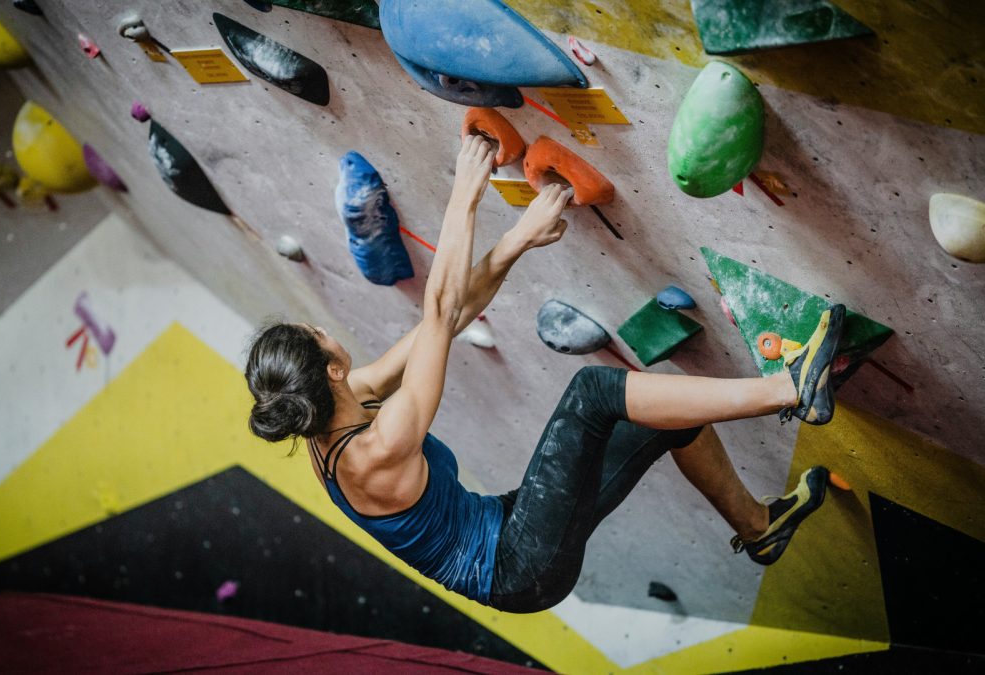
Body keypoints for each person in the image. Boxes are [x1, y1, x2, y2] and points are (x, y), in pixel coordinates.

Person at [244, 135, 844, 613]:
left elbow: (446, 323)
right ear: (330, 367)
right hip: (519, 568)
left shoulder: (349, 400)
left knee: (665, 419)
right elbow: (440, 309)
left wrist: (517, 242)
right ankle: (791, 389)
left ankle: (760, 527)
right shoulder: (375, 450)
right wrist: (465, 194)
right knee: (594, 393)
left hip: (512, 525)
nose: (324, 330)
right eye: (315, 335)